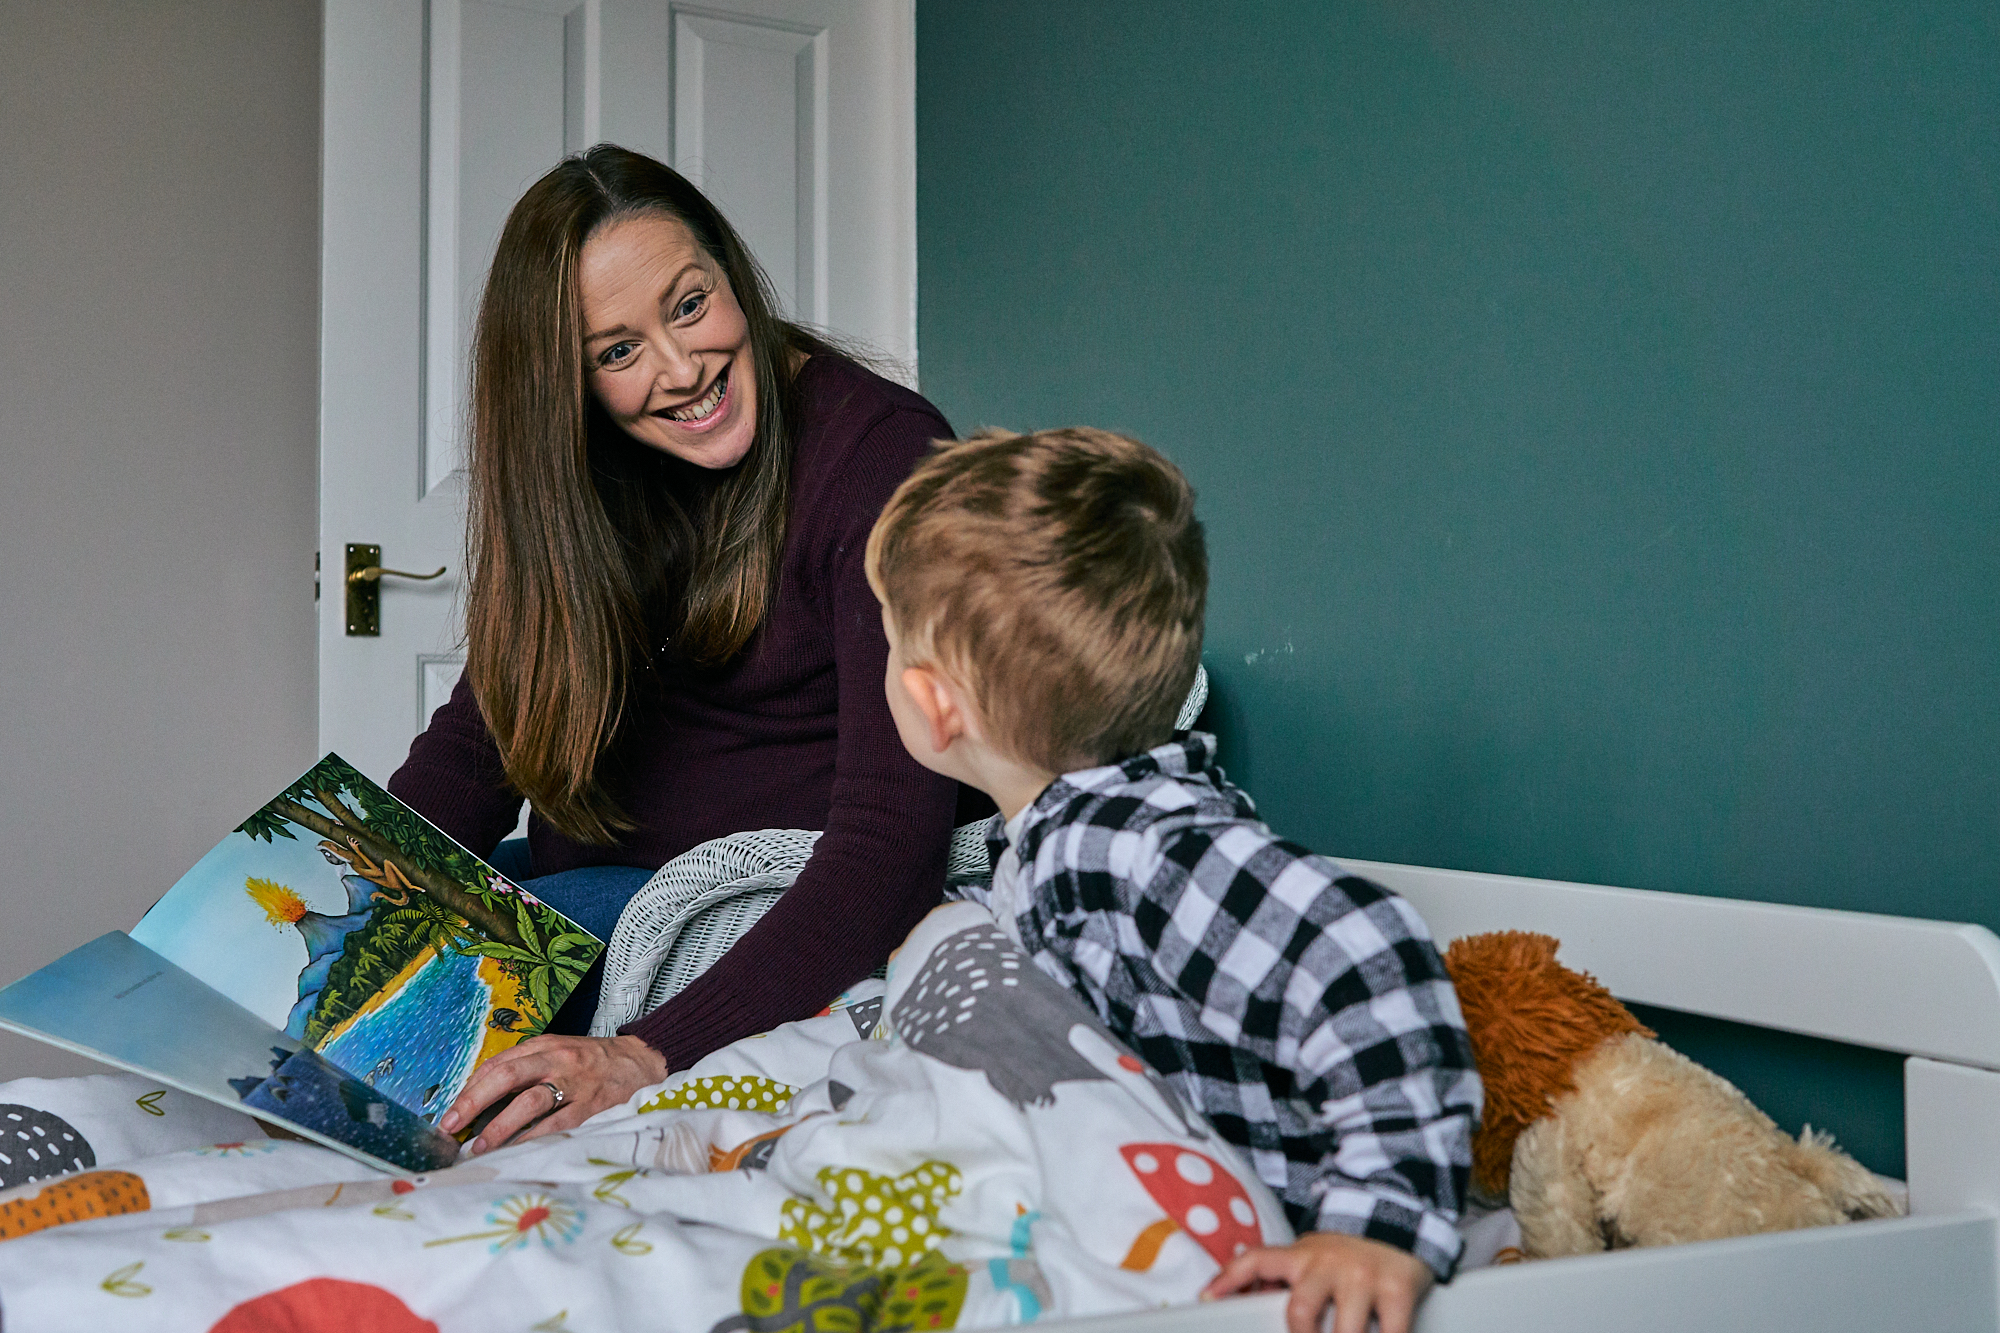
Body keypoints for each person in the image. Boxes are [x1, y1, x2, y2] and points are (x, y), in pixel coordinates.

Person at [389, 145, 981, 1154]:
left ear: (730, 274)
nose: (682, 368)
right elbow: (475, 752)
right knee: (362, 957)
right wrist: (306, 909)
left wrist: (644, 1052)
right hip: (584, 879)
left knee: (440, 1003)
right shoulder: (586, 475)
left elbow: (893, 840)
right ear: (567, 385)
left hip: (732, 906)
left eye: (690, 304)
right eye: (618, 351)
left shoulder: (883, 460)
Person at [863, 427, 1481, 1333]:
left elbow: (1364, 954)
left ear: (934, 702)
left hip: (1248, 1233)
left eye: (885, 642)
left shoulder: (1132, 848)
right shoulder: (1064, 834)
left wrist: (1380, 1221)